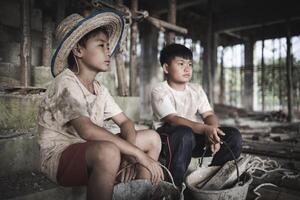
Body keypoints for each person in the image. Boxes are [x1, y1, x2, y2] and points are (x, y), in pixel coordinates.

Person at [38, 9, 163, 200]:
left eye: (108, 45)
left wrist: (129, 155)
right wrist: (137, 154)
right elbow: (87, 131)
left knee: (152, 138)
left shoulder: (99, 88)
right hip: (61, 157)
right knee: (109, 151)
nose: (108, 51)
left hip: (92, 150)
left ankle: (139, 194)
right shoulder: (65, 83)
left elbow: (126, 123)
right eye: (101, 45)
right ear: (78, 50)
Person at [151, 43, 242, 186]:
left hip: (193, 136)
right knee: (184, 133)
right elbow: (173, 119)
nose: (187, 69)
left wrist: (213, 132)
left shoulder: (196, 89)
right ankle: (173, 187)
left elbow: (208, 114)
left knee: (233, 135)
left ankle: (214, 180)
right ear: (166, 68)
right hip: (169, 138)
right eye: (181, 64)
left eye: (190, 64)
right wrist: (204, 129)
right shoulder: (159, 90)